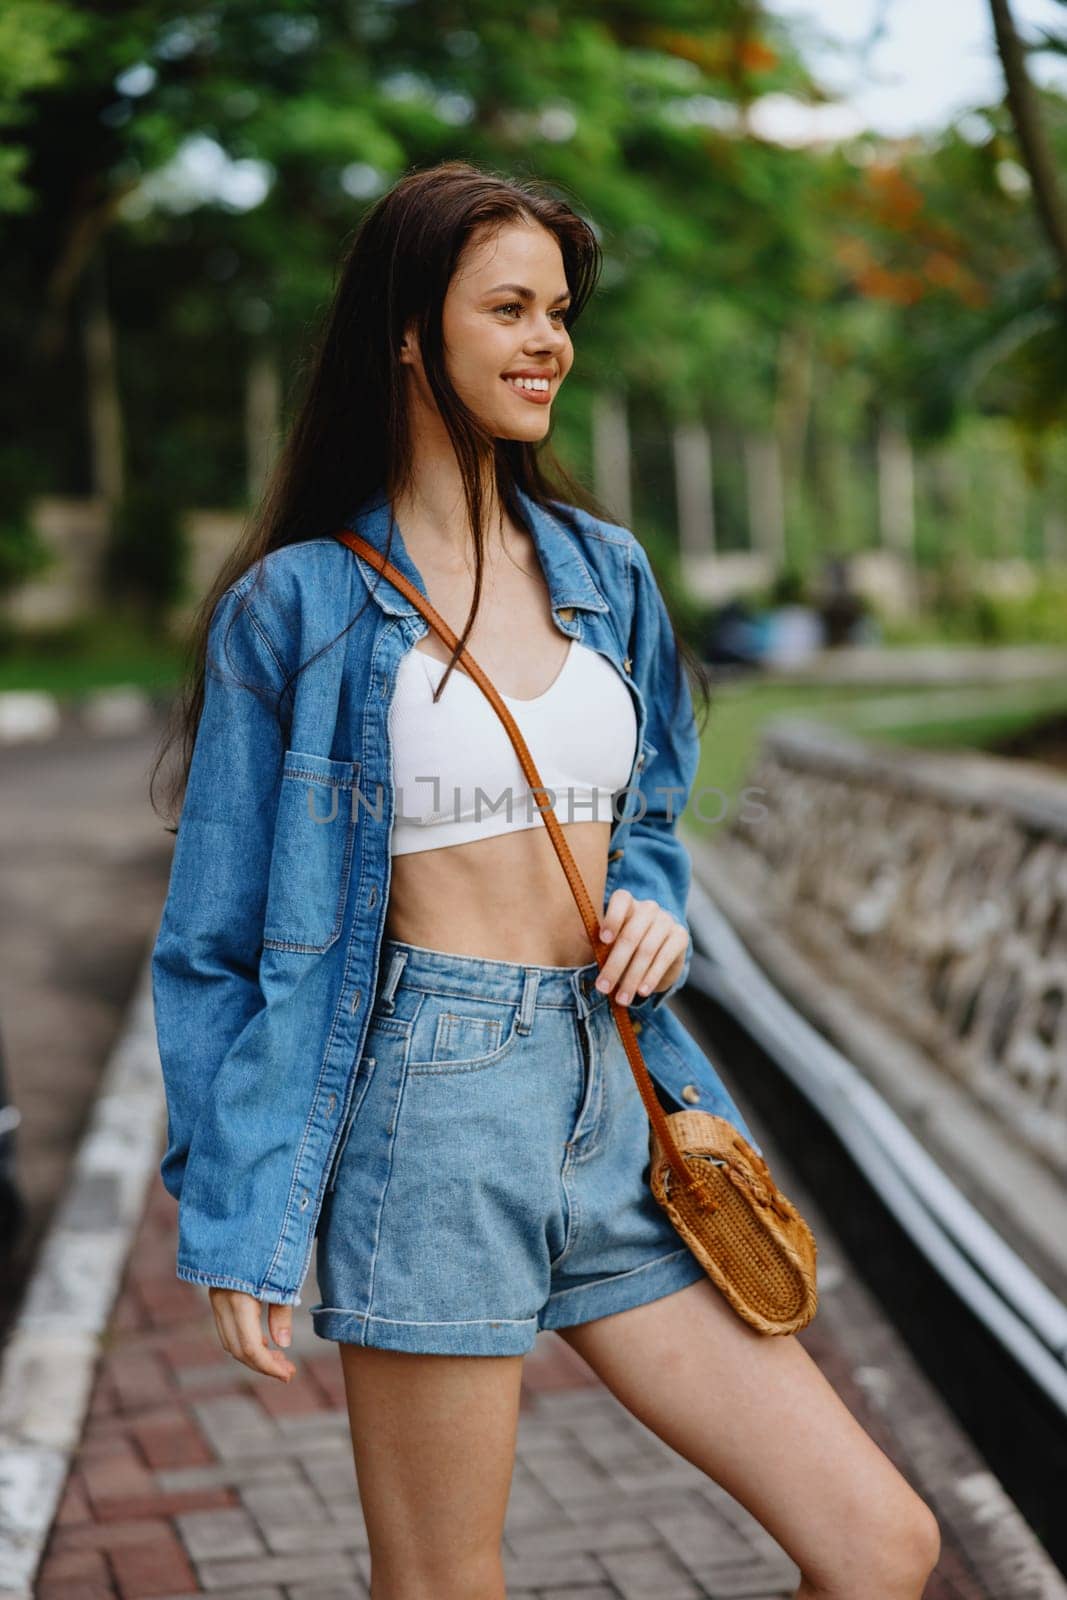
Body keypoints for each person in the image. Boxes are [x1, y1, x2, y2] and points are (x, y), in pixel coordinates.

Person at [149, 161, 940, 1600]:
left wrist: (655, 894)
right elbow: (211, 944)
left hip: (617, 1095)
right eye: (507, 308)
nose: (547, 343)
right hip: (429, 1110)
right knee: (450, 1584)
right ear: (409, 330)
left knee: (880, 1542)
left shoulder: (603, 566)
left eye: (559, 312)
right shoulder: (300, 607)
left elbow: (647, 800)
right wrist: (238, 1216)